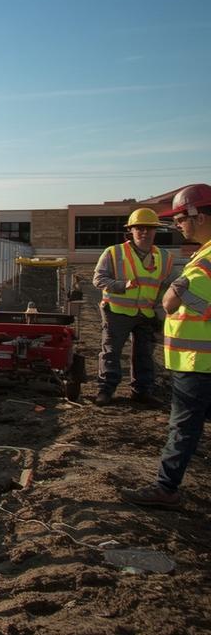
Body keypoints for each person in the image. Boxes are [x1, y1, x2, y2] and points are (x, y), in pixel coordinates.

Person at [121, 184, 211, 508]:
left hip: (198, 362)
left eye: (179, 218)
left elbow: (180, 300)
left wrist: (178, 289)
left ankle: (165, 489)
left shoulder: (205, 259)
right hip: (193, 358)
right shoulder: (201, 253)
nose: (177, 225)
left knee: (183, 427)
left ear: (197, 215)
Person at [91, 208, 174, 405]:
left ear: (155, 231)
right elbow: (98, 279)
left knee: (144, 353)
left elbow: (165, 286)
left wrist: (159, 312)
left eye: (149, 228)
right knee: (111, 351)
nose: (144, 232)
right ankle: (106, 390)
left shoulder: (165, 257)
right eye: (140, 228)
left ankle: (142, 391)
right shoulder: (113, 252)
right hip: (117, 311)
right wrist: (122, 285)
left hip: (146, 312)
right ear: (131, 230)